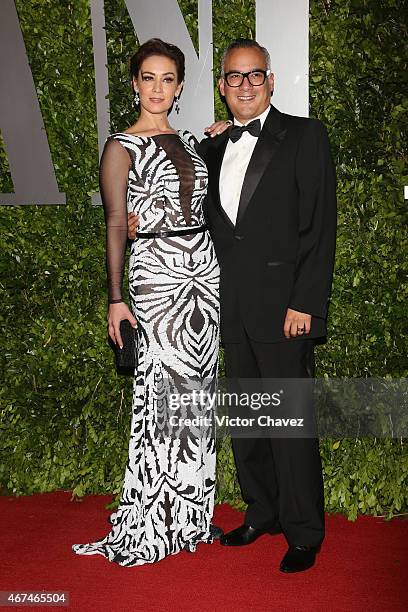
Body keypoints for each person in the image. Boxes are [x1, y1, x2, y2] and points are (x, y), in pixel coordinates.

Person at [129, 38, 337, 573]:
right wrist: (136, 223)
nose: (244, 84)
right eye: (233, 77)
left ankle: (303, 531)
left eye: (254, 75)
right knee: (248, 422)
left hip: (285, 310)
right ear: (221, 88)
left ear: (270, 80)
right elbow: (183, 210)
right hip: (225, 306)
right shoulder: (211, 147)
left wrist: (305, 304)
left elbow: (319, 228)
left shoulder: (306, 135)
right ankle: (262, 511)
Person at [72, 38, 229, 567]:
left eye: (168, 79)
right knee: (161, 391)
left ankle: (190, 516)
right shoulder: (120, 146)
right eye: (149, 77)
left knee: (198, 397)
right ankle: (151, 519)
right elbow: (116, 223)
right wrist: (116, 299)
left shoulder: (191, 139)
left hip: (204, 273)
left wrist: (226, 132)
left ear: (180, 87)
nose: (158, 88)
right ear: (135, 83)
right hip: (155, 275)